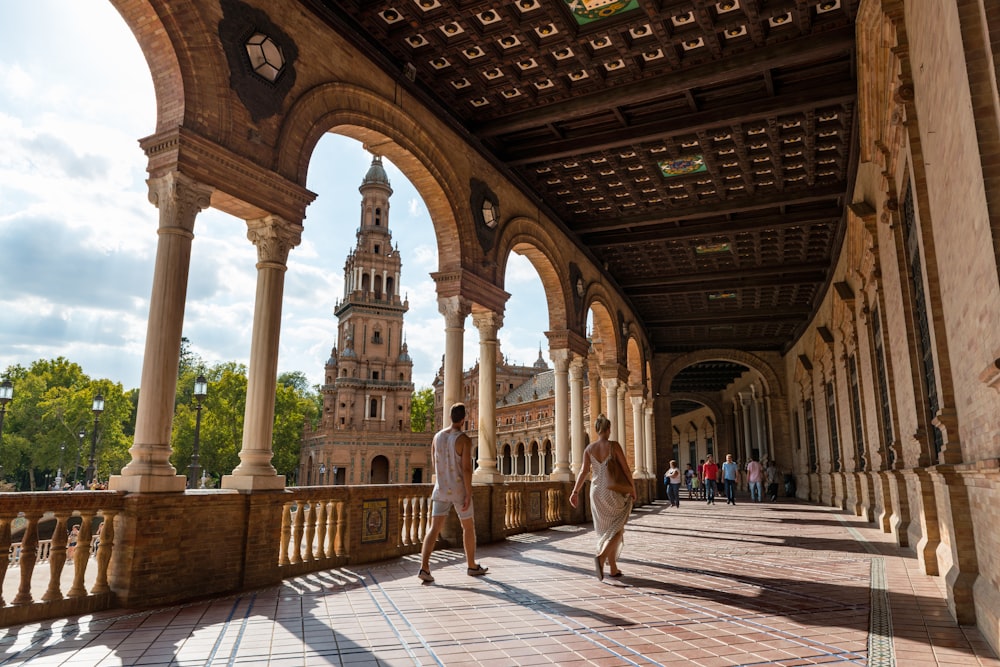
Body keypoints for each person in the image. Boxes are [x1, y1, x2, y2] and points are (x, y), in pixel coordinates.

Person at [417, 403, 487, 583]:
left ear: (450, 417)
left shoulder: (436, 437)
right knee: (468, 527)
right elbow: (466, 469)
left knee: (433, 529)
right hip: (459, 490)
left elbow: (434, 463)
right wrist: (469, 493)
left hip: (440, 490)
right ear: (464, 419)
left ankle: (424, 568)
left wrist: (442, 479)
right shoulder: (464, 439)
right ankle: (471, 565)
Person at [569, 414, 636, 581]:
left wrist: (575, 491)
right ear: (608, 429)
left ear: (597, 430)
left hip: (596, 492)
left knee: (606, 530)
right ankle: (601, 557)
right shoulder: (614, 446)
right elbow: (626, 469)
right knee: (617, 528)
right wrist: (633, 488)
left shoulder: (589, 449)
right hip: (612, 491)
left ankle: (613, 568)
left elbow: (583, 472)